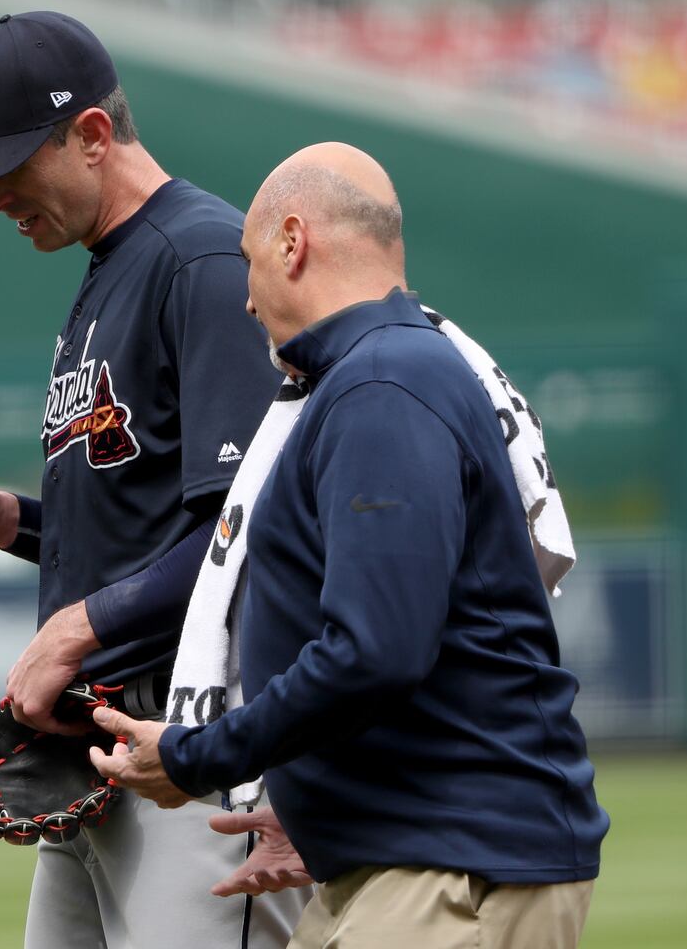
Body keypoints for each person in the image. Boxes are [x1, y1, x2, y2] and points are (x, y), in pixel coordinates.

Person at [92, 142, 610, 949]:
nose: (248, 301)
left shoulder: (381, 384)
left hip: (451, 869)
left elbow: (376, 650)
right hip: (413, 857)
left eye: (249, 264)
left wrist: (198, 757)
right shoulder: (381, 373)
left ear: (293, 243)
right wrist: (317, 803)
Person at [0, 11, 309, 948]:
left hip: (196, 739)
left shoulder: (203, 261)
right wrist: (9, 522)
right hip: (101, 749)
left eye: (8, 165)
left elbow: (243, 533)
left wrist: (79, 628)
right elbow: (146, 528)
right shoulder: (110, 265)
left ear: (91, 135)